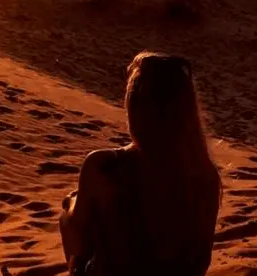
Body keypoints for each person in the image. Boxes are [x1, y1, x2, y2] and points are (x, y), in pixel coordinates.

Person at [58, 52, 222, 275]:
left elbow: (79, 240)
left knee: (68, 214)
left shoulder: (105, 166)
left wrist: (70, 206)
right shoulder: (205, 175)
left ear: (133, 105)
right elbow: (202, 261)